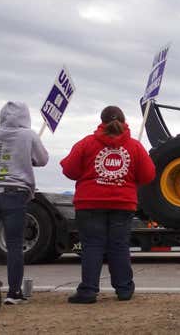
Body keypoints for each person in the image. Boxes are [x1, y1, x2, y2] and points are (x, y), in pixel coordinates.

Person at [60, 106, 155, 304]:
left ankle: (88, 291)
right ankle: (124, 289)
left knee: (92, 246)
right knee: (119, 246)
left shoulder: (86, 143)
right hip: (122, 203)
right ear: (124, 120)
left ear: (101, 121)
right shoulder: (134, 146)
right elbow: (148, 175)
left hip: (90, 203)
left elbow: (69, 170)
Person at [0, 101, 49, 305]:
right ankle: (13, 293)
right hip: (15, 194)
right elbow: (43, 160)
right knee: (14, 245)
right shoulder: (28, 135)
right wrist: (28, 159)